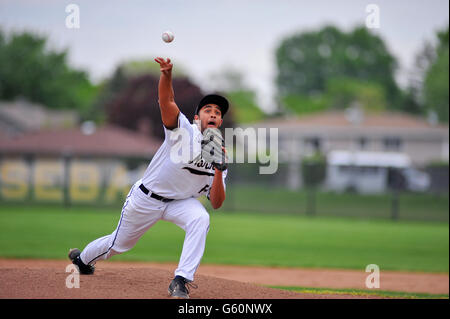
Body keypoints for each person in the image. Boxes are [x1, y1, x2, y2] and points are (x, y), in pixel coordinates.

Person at [68, 57, 229, 299]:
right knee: (119, 245)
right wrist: (166, 75)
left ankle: (181, 281)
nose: (213, 114)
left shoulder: (221, 154)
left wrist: (218, 169)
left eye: (218, 112)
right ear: (197, 118)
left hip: (179, 203)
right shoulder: (183, 131)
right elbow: (167, 101)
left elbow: (216, 202)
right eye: (208, 110)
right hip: (147, 198)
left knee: (200, 218)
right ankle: (82, 260)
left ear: (221, 121)